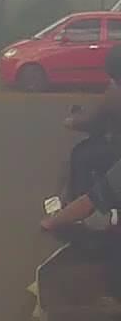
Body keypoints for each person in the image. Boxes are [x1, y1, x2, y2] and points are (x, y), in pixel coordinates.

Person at [43, 45, 121, 232]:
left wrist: (71, 121)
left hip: (116, 149)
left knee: (81, 155)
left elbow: (93, 121)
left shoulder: (115, 92)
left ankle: (78, 213)